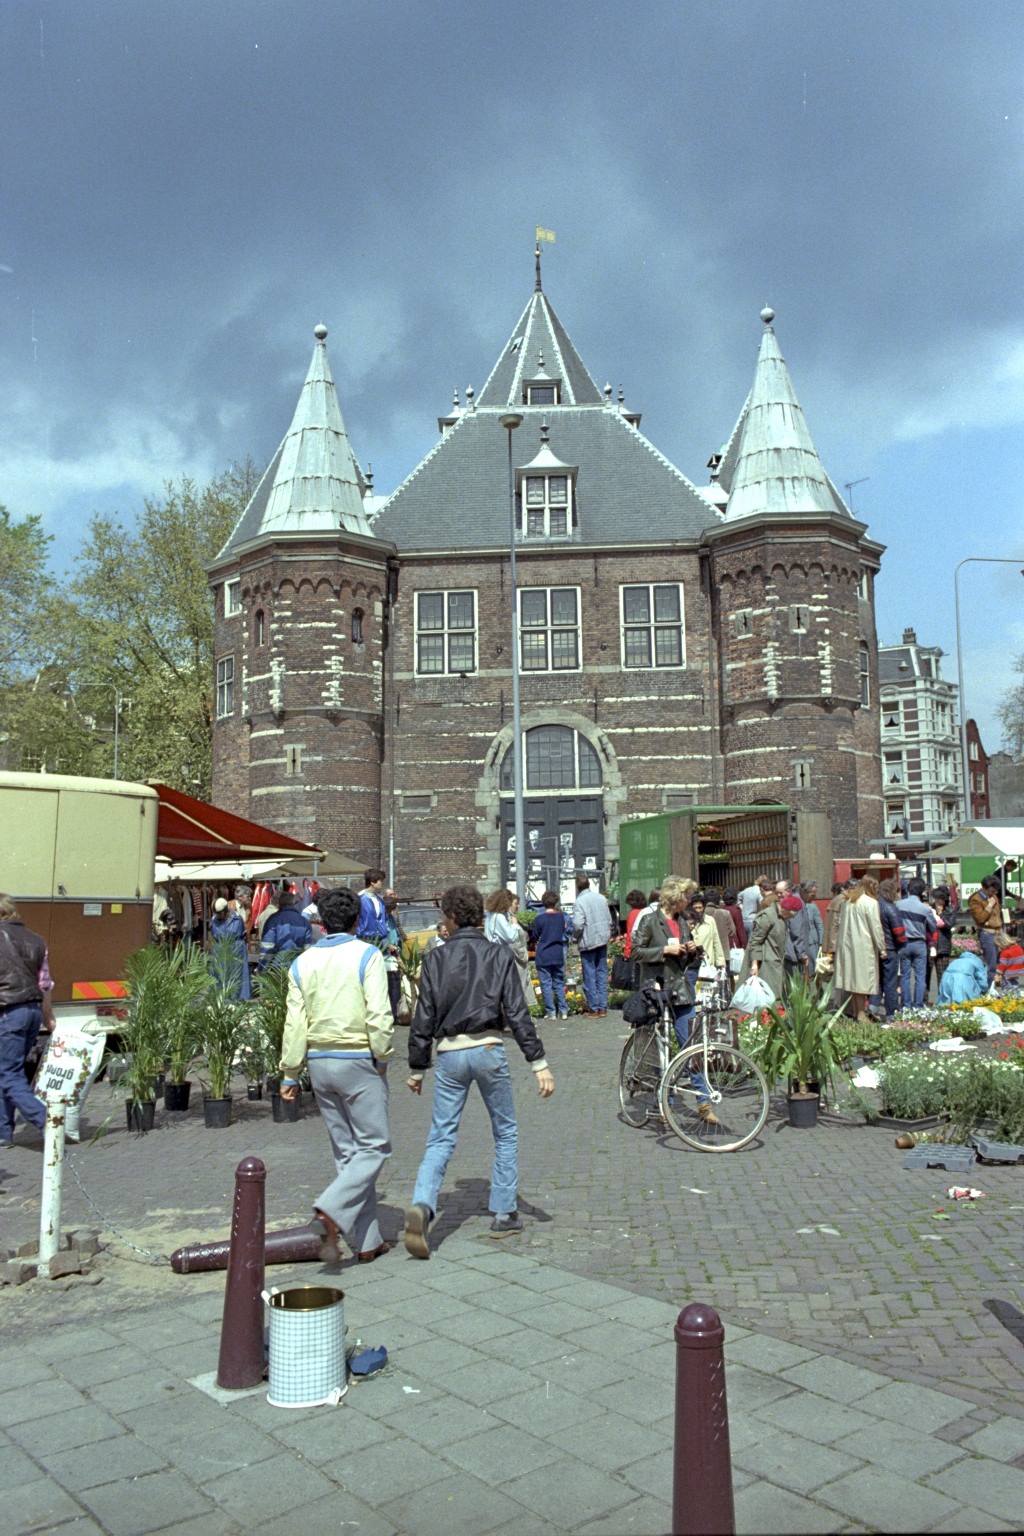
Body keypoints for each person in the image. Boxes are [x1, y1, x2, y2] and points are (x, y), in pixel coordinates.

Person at [403, 884, 553, 1256]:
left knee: (441, 1137)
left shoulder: (435, 959)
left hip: (450, 1053)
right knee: (504, 1132)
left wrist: (418, 1067)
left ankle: (422, 1204)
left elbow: (423, 1017)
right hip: (488, 1047)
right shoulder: (498, 955)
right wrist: (538, 1063)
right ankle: (504, 1213)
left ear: (450, 918)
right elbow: (517, 1012)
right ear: (480, 916)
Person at [279, 885, 394, 1264]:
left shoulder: (303, 962)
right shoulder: (368, 955)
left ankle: (367, 1242)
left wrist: (290, 1073)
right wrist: (382, 1057)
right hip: (358, 1058)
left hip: (319, 1062)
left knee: (347, 1154)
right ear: (359, 919)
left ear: (321, 922)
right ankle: (328, 1210)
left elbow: (294, 1022)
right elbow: (379, 1014)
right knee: (374, 1146)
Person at [631, 876, 716, 1121]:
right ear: (674, 898)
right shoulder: (649, 920)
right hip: (658, 992)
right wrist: (664, 951)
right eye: (686, 896)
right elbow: (635, 952)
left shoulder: (682, 922)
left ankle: (704, 1103)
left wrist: (692, 951)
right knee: (663, 1049)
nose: (689, 901)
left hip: (681, 991)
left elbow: (687, 959)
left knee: (692, 1046)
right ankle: (665, 1103)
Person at [0, 895, 54, 1149]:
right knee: (9, 1072)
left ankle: (46, 1119)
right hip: (32, 1011)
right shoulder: (36, 940)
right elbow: (45, 984)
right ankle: (4, 1132)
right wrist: (48, 1017)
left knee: (8, 1074)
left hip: (8, 1012)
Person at [834, 877, 885, 1024]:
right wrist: (882, 947)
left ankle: (857, 1013)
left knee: (854, 982)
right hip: (864, 946)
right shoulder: (871, 903)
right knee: (863, 982)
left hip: (847, 947)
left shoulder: (848, 902)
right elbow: (875, 927)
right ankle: (862, 1015)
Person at [483, 889, 534, 1011]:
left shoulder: (490, 915)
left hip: (492, 952)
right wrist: (515, 925)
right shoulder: (499, 917)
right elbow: (511, 937)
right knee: (509, 986)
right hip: (501, 953)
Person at [735, 889, 789, 1002]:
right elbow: (755, 941)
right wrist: (754, 964)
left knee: (771, 998)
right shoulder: (767, 916)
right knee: (764, 998)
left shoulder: (779, 918)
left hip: (773, 962)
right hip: (764, 963)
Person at [572, 874, 613, 1016]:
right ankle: (603, 1007)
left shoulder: (579, 902)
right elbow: (609, 919)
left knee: (589, 975)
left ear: (577, 886)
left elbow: (578, 924)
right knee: (602, 974)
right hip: (602, 940)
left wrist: (575, 937)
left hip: (588, 941)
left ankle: (594, 1008)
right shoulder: (601, 898)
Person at [897, 878, 938, 1009]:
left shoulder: (898, 905)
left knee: (905, 976)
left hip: (903, 943)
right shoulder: (925, 909)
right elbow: (933, 926)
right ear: (922, 891)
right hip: (919, 943)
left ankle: (906, 1005)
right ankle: (918, 1005)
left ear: (908, 889)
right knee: (920, 977)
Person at [531, 889, 569, 1019]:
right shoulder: (561, 917)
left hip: (544, 953)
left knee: (546, 984)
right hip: (557, 952)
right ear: (556, 902)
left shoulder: (539, 919)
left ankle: (551, 1011)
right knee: (559, 982)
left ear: (543, 903)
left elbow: (534, 936)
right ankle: (563, 1010)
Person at [875, 878, 907, 1020]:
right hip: (890, 948)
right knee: (890, 983)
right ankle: (891, 1012)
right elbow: (899, 931)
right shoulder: (890, 907)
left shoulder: (875, 905)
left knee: (878, 981)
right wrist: (903, 943)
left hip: (877, 948)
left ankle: (873, 1007)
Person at [258, 891, 314, 971]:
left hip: (276, 970)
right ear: (294, 904)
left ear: (279, 903)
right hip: (297, 967)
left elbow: (267, 947)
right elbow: (308, 948)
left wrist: (262, 970)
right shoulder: (304, 921)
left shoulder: (273, 919)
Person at [210, 896, 251, 1000]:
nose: (218, 916)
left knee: (237, 974)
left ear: (225, 911)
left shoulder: (237, 918)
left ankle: (238, 999)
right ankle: (220, 998)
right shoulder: (214, 920)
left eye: (220, 913)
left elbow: (244, 935)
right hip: (220, 949)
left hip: (236, 949)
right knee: (220, 975)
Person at [969, 876, 1004, 985]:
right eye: (991, 891)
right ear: (984, 888)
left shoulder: (994, 897)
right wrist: (989, 905)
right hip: (986, 933)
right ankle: (988, 989)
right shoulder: (975, 899)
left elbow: (998, 915)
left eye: (995, 891)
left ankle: (993, 986)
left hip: (997, 932)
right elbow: (980, 918)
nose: (993, 893)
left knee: (999, 963)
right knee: (991, 965)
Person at [685, 893, 725, 968]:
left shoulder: (710, 920)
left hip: (707, 964)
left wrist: (720, 962)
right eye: (695, 908)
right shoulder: (684, 921)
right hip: (690, 965)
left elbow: (716, 942)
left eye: (700, 907)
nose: (698, 910)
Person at [928, 891, 954, 999]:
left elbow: (949, 924)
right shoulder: (929, 909)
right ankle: (924, 999)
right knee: (926, 974)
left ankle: (943, 998)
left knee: (942, 974)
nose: (938, 901)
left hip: (943, 945)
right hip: (930, 945)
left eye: (940, 899)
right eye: (936, 898)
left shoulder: (950, 910)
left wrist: (940, 914)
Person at [356, 868, 389, 942]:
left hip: (380, 939)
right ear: (372, 882)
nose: (382, 883)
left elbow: (384, 918)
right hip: (364, 939)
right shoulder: (359, 899)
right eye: (380, 880)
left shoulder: (380, 899)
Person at [800, 882, 823, 971]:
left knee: (814, 967)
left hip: (812, 942)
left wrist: (821, 942)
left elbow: (819, 925)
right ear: (804, 893)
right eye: (812, 895)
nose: (814, 897)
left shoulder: (813, 907)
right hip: (801, 942)